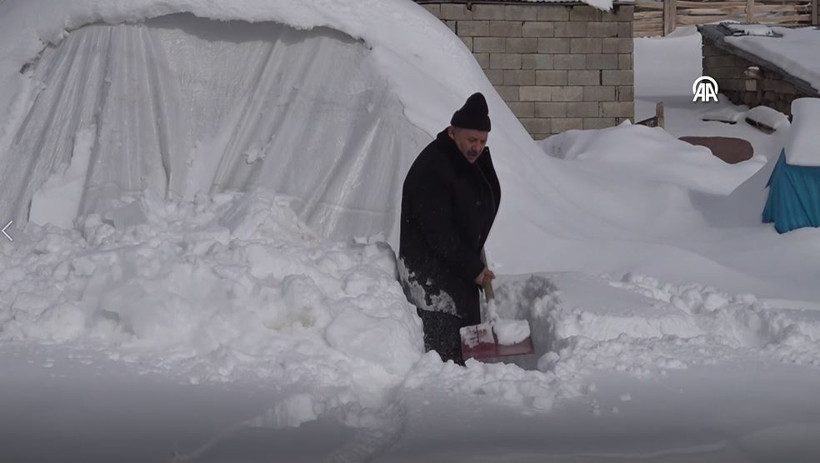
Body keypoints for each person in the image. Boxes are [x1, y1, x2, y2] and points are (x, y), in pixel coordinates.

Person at [399, 92, 501, 365]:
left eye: (482, 141)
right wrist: (473, 270)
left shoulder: (461, 160)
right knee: (446, 362)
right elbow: (439, 233)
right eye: (472, 140)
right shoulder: (434, 169)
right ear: (452, 132)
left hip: (454, 267)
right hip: (433, 279)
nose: (477, 147)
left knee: (464, 353)